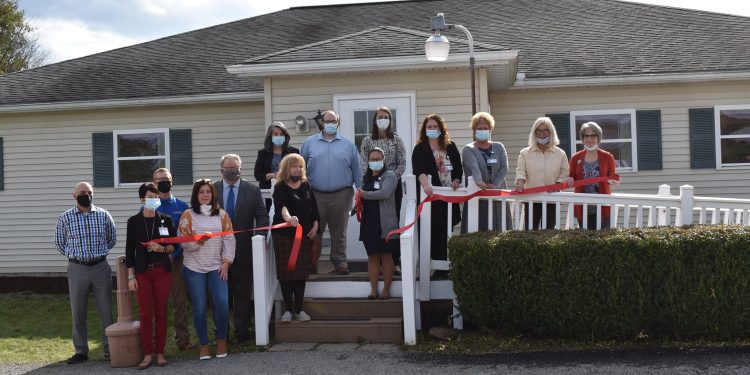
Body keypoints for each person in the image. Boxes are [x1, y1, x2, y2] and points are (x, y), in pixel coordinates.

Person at [54, 182, 116, 364]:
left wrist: (96, 254)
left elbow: (111, 239)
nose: (86, 195)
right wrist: (75, 256)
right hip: (77, 269)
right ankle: (81, 351)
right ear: (74, 196)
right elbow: (59, 243)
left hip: (100, 268)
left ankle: (110, 350)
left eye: (89, 192)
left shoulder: (104, 215)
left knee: (106, 311)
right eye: (82, 192)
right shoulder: (65, 218)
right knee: (78, 312)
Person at [213, 154, 269, 344]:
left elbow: (262, 216)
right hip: (216, 254)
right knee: (220, 298)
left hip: (244, 250)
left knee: (242, 296)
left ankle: (241, 333)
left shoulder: (252, 190)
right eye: (229, 168)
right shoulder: (211, 190)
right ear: (222, 170)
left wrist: (258, 237)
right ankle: (221, 334)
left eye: (236, 167)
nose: (233, 170)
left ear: (241, 168)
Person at [178, 179, 236, 360]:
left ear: (213, 194)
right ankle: (204, 344)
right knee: (200, 307)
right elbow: (184, 244)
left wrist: (226, 262)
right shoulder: (187, 215)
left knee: (222, 304)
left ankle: (221, 340)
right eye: (201, 192)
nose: (205, 195)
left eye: (208, 192)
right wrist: (199, 241)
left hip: (217, 267)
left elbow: (229, 239)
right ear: (196, 195)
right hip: (194, 268)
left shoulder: (222, 215)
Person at [301, 109, 362, 275]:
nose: (330, 124)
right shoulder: (309, 143)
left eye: (333, 121)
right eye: (327, 121)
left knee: (339, 231)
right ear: (322, 123)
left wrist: (360, 191)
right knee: (315, 230)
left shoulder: (348, 145)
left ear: (338, 123)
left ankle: (340, 263)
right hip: (315, 194)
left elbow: (357, 169)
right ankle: (312, 263)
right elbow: (300, 167)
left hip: (342, 193)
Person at [125, 183, 176, 369]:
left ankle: (160, 352)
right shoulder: (133, 221)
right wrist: (131, 277)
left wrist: (162, 249)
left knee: (161, 312)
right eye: (150, 196)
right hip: (142, 273)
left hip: (162, 271)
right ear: (141, 199)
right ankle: (147, 354)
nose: (154, 199)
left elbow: (174, 246)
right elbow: (129, 251)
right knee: (146, 314)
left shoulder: (166, 219)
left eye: (156, 196)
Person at [412, 114, 462, 276]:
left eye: (435, 126)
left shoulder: (450, 146)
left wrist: (456, 180)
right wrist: (426, 186)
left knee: (445, 232)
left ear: (441, 128)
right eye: (429, 127)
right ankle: (431, 269)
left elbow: (458, 169)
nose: (432, 129)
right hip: (430, 198)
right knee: (430, 233)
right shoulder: (420, 149)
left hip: (448, 198)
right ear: (424, 130)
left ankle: (445, 268)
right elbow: (419, 171)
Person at [272, 154, 320, 321]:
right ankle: (288, 310)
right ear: (287, 168)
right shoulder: (280, 187)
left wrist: (315, 225)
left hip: (304, 236)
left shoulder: (306, 185)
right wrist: (289, 218)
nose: (298, 169)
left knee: (301, 274)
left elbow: (313, 208)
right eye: (294, 166)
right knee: (286, 273)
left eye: (300, 166)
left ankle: (299, 311)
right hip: (284, 237)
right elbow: (282, 207)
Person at [358, 107, 406, 275]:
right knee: (374, 222)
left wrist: (390, 178)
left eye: (386, 117)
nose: (383, 119)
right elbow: (364, 163)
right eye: (380, 117)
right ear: (375, 120)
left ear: (390, 120)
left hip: (392, 185)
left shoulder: (397, 140)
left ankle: (395, 261)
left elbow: (402, 163)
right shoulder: (367, 141)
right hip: (371, 183)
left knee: (391, 222)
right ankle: (377, 263)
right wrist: (371, 179)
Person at [152, 167, 194, 351]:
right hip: (155, 261)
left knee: (179, 301)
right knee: (156, 303)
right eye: (159, 179)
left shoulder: (183, 207)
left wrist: (173, 254)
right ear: (154, 183)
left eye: (166, 179)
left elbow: (186, 235)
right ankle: (154, 342)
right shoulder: (150, 207)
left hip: (177, 261)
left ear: (172, 181)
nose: (163, 182)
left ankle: (182, 340)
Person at [515, 117, 573, 230]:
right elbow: (520, 172)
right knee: (531, 233)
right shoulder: (524, 153)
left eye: (545, 130)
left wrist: (558, 184)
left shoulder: (560, 153)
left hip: (552, 198)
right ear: (534, 132)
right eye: (539, 130)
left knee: (549, 233)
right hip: (532, 199)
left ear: (551, 132)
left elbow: (564, 172)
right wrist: (520, 182)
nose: (542, 133)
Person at [358, 148, 399, 299]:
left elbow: (384, 193)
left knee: (386, 256)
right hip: (369, 222)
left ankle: (386, 290)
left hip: (385, 223)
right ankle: (373, 290)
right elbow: (362, 197)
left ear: (384, 159)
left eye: (378, 158)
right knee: (372, 256)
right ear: (368, 162)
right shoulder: (366, 178)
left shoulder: (390, 176)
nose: (375, 162)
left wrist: (364, 194)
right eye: (372, 159)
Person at [461, 112, 511, 232]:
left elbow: (505, 168)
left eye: (485, 128)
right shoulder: (468, 149)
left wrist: (494, 185)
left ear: (490, 130)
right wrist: (480, 182)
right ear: (474, 130)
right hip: (478, 195)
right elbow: (474, 166)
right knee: (478, 229)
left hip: (497, 194)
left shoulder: (499, 147)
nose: (482, 130)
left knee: (500, 228)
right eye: (479, 128)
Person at [569, 121, 619, 229]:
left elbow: (613, 175)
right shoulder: (575, 158)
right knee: (585, 239)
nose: (589, 139)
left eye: (593, 136)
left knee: (604, 239)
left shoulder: (607, 157)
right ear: (582, 138)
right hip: (582, 206)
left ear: (598, 138)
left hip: (603, 205)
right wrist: (569, 180)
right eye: (586, 136)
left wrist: (613, 180)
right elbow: (571, 177)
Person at [254, 122, 300, 213]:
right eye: (276, 134)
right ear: (270, 136)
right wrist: (272, 175)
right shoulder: (263, 153)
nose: (279, 136)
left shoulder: (293, 152)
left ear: (285, 136)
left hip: (289, 192)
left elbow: (299, 172)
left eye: (281, 134)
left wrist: (284, 175)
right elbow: (257, 175)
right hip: (268, 194)